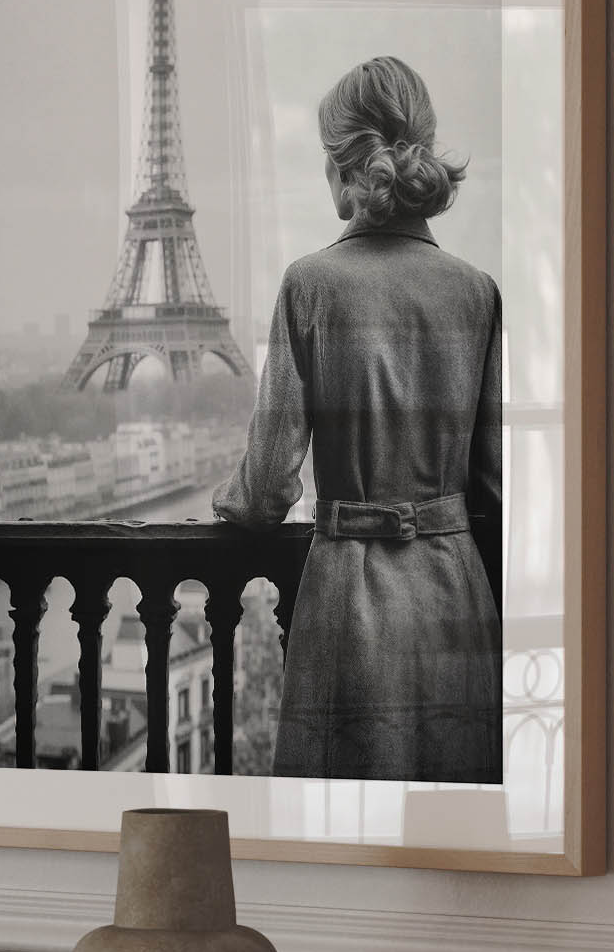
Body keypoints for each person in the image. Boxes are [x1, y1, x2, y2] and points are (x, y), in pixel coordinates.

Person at [214, 55, 503, 782]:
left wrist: (225, 505)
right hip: (456, 602)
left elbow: (267, 488)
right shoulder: (478, 294)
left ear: (344, 167)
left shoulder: (309, 287)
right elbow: (493, 492)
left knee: (340, 833)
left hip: (350, 602)